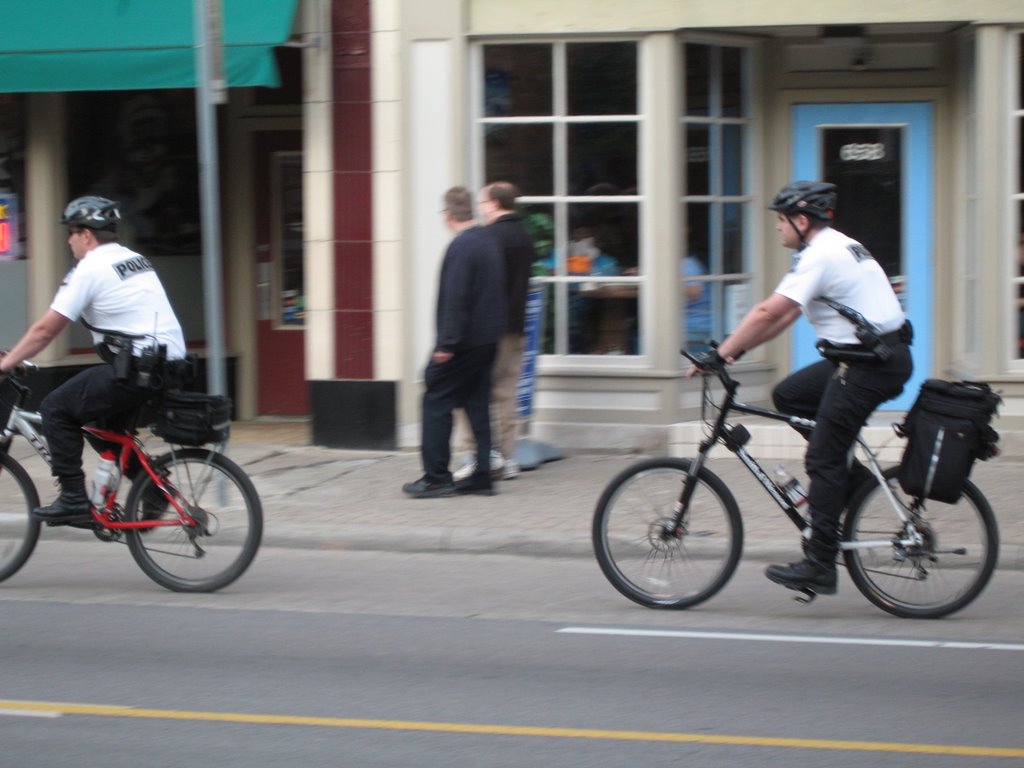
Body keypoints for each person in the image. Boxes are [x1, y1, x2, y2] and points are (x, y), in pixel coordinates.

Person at [688, 181, 912, 597]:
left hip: (870, 368)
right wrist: (735, 351)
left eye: (780, 220)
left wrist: (719, 354)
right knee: (791, 395)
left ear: (801, 221)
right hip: (867, 360)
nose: (777, 228)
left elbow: (766, 310)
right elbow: (783, 317)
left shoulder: (820, 255)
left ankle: (820, 564)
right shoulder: (833, 246)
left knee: (822, 457)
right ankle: (852, 486)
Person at [0, 196, 187, 522]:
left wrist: (5, 364)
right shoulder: (133, 259)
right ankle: (153, 491)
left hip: (138, 369)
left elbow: (45, 331)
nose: (69, 241)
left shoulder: (90, 269)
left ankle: (73, 499)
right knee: (100, 426)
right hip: (168, 366)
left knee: (55, 408)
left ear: (85, 234)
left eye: (70, 234)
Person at [402, 187, 506, 498]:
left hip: (464, 342)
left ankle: (436, 477)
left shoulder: (461, 247)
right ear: (470, 211)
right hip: (488, 339)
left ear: (447, 216)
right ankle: (483, 475)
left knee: (435, 401)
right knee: (477, 404)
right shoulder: (488, 241)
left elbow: (456, 298)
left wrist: (445, 345)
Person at [453, 181, 538, 482]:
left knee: (468, 390)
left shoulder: (489, 238)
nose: (479, 206)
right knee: (506, 393)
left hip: (487, 328)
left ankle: (477, 455)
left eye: (482, 201)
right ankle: (507, 457)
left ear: (494, 204)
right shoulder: (525, 238)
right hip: (515, 327)